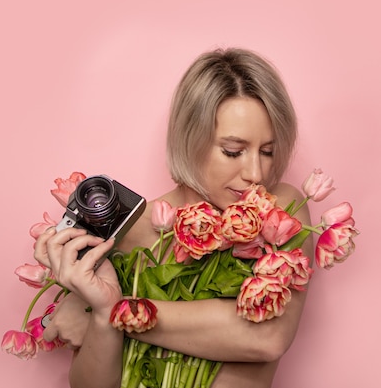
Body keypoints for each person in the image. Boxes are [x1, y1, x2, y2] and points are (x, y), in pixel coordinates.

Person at [33, 47, 312, 388]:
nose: (256, 172)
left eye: (267, 152)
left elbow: (266, 337)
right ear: (190, 138)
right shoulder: (130, 233)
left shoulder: (280, 211)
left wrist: (119, 310)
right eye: (233, 151)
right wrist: (103, 318)